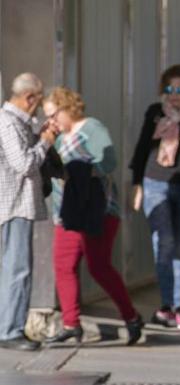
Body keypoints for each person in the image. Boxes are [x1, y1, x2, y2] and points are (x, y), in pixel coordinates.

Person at [41, 87, 143, 345]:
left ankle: (131, 317)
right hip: (66, 211)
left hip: (97, 209)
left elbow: (108, 163)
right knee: (64, 265)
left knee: (99, 266)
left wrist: (78, 170)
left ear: (67, 109)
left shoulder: (91, 128)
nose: (51, 121)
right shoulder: (59, 138)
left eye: (53, 115)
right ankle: (70, 324)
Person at [130, 64, 180, 330]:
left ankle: (176, 307)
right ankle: (165, 305)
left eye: (179, 89)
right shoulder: (155, 113)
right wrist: (137, 183)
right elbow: (143, 146)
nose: (174, 94)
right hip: (155, 182)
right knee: (163, 243)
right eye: (169, 89)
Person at [0, 73, 58, 351]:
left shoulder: (16, 123)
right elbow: (23, 163)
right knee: (18, 269)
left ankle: (8, 326)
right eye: (37, 99)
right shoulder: (8, 122)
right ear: (29, 98)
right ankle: (10, 330)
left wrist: (39, 136)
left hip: (17, 205)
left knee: (14, 268)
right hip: (14, 205)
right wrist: (45, 142)